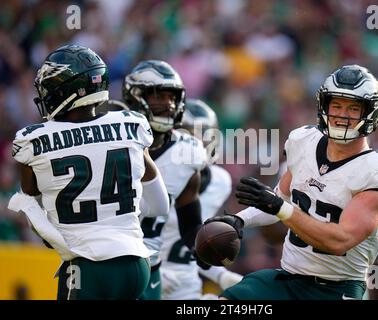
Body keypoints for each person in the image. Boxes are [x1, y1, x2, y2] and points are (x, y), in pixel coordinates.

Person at [203, 64, 378, 300]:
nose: (342, 115)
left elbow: (339, 240)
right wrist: (240, 219)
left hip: (335, 290)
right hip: (289, 279)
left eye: (353, 108)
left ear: (369, 113)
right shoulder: (304, 141)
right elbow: (280, 200)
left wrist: (279, 207)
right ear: (324, 106)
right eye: (337, 105)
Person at [7, 45, 170, 300]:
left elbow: (31, 212)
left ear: (65, 90)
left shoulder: (33, 141)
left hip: (87, 267)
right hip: (137, 264)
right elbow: (160, 205)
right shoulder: (131, 125)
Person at [122, 60, 209, 299]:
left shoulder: (188, 154)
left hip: (150, 270)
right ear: (136, 96)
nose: (168, 104)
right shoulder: (112, 141)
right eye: (157, 96)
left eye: (171, 97)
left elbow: (191, 224)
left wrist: (205, 246)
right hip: (103, 259)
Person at [159, 98, 243, 299]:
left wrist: (220, 274)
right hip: (144, 281)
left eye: (204, 136)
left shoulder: (219, 182)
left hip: (187, 288)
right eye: (189, 137)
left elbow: (195, 247)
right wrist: (152, 271)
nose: (199, 144)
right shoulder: (157, 177)